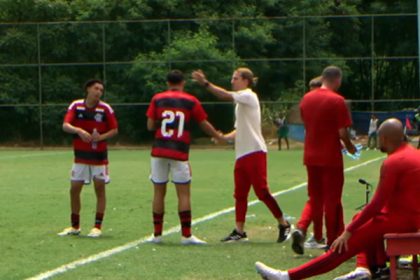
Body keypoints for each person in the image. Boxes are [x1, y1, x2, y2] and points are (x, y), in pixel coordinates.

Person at [256, 118, 420, 280]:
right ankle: (365, 268)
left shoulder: (393, 162)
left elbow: (376, 205)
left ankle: (288, 277)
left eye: (378, 138)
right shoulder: (414, 154)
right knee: (360, 219)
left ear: (384, 138)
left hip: (402, 220)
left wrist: (347, 233)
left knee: (342, 247)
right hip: (411, 217)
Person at [192, 67, 290, 243]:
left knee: (261, 191)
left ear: (246, 81)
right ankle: (239, 231)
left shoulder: (248, 95)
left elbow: (223, 95)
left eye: (235, 78)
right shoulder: (240, 104)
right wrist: (223, 138)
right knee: (240, 194)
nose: (232, 81)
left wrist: (205, 83)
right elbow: (238, 131)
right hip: (242, 154)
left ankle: (284, 224)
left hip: (255, 151)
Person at [146, 70, 223, 245]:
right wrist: (218, 136)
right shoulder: (190, 100)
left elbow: (150, 125)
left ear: (167, 82)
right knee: (184, 193)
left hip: (159, 150)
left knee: (158, 191)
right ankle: (186, 236)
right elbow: (203, 123)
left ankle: (157, 235)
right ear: (183, 83)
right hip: (179, 151)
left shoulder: (157, 99)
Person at [291, 66, 356, 255]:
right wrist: (350, 146)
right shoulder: (337, 101)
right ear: (337, 80)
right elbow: (342, 131)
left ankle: (303, 228)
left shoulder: (307, 98)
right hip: (330, 156)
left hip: (311, 155)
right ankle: (332, 240)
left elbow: (309, 124)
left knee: (315, 197)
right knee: (332, 199)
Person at [58, 79, 118, 238]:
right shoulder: (76, 106)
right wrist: (79, 131)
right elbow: (65, 125)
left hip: (99, 158)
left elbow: (114, 130)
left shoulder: (105, 109)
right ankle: (75, 226)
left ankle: (97, 227)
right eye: (96, 88)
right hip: (80, 157)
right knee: (74, 190)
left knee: (100, 190)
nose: (99, 92)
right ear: (88, 89)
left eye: (101, 90)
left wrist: (100, 137)